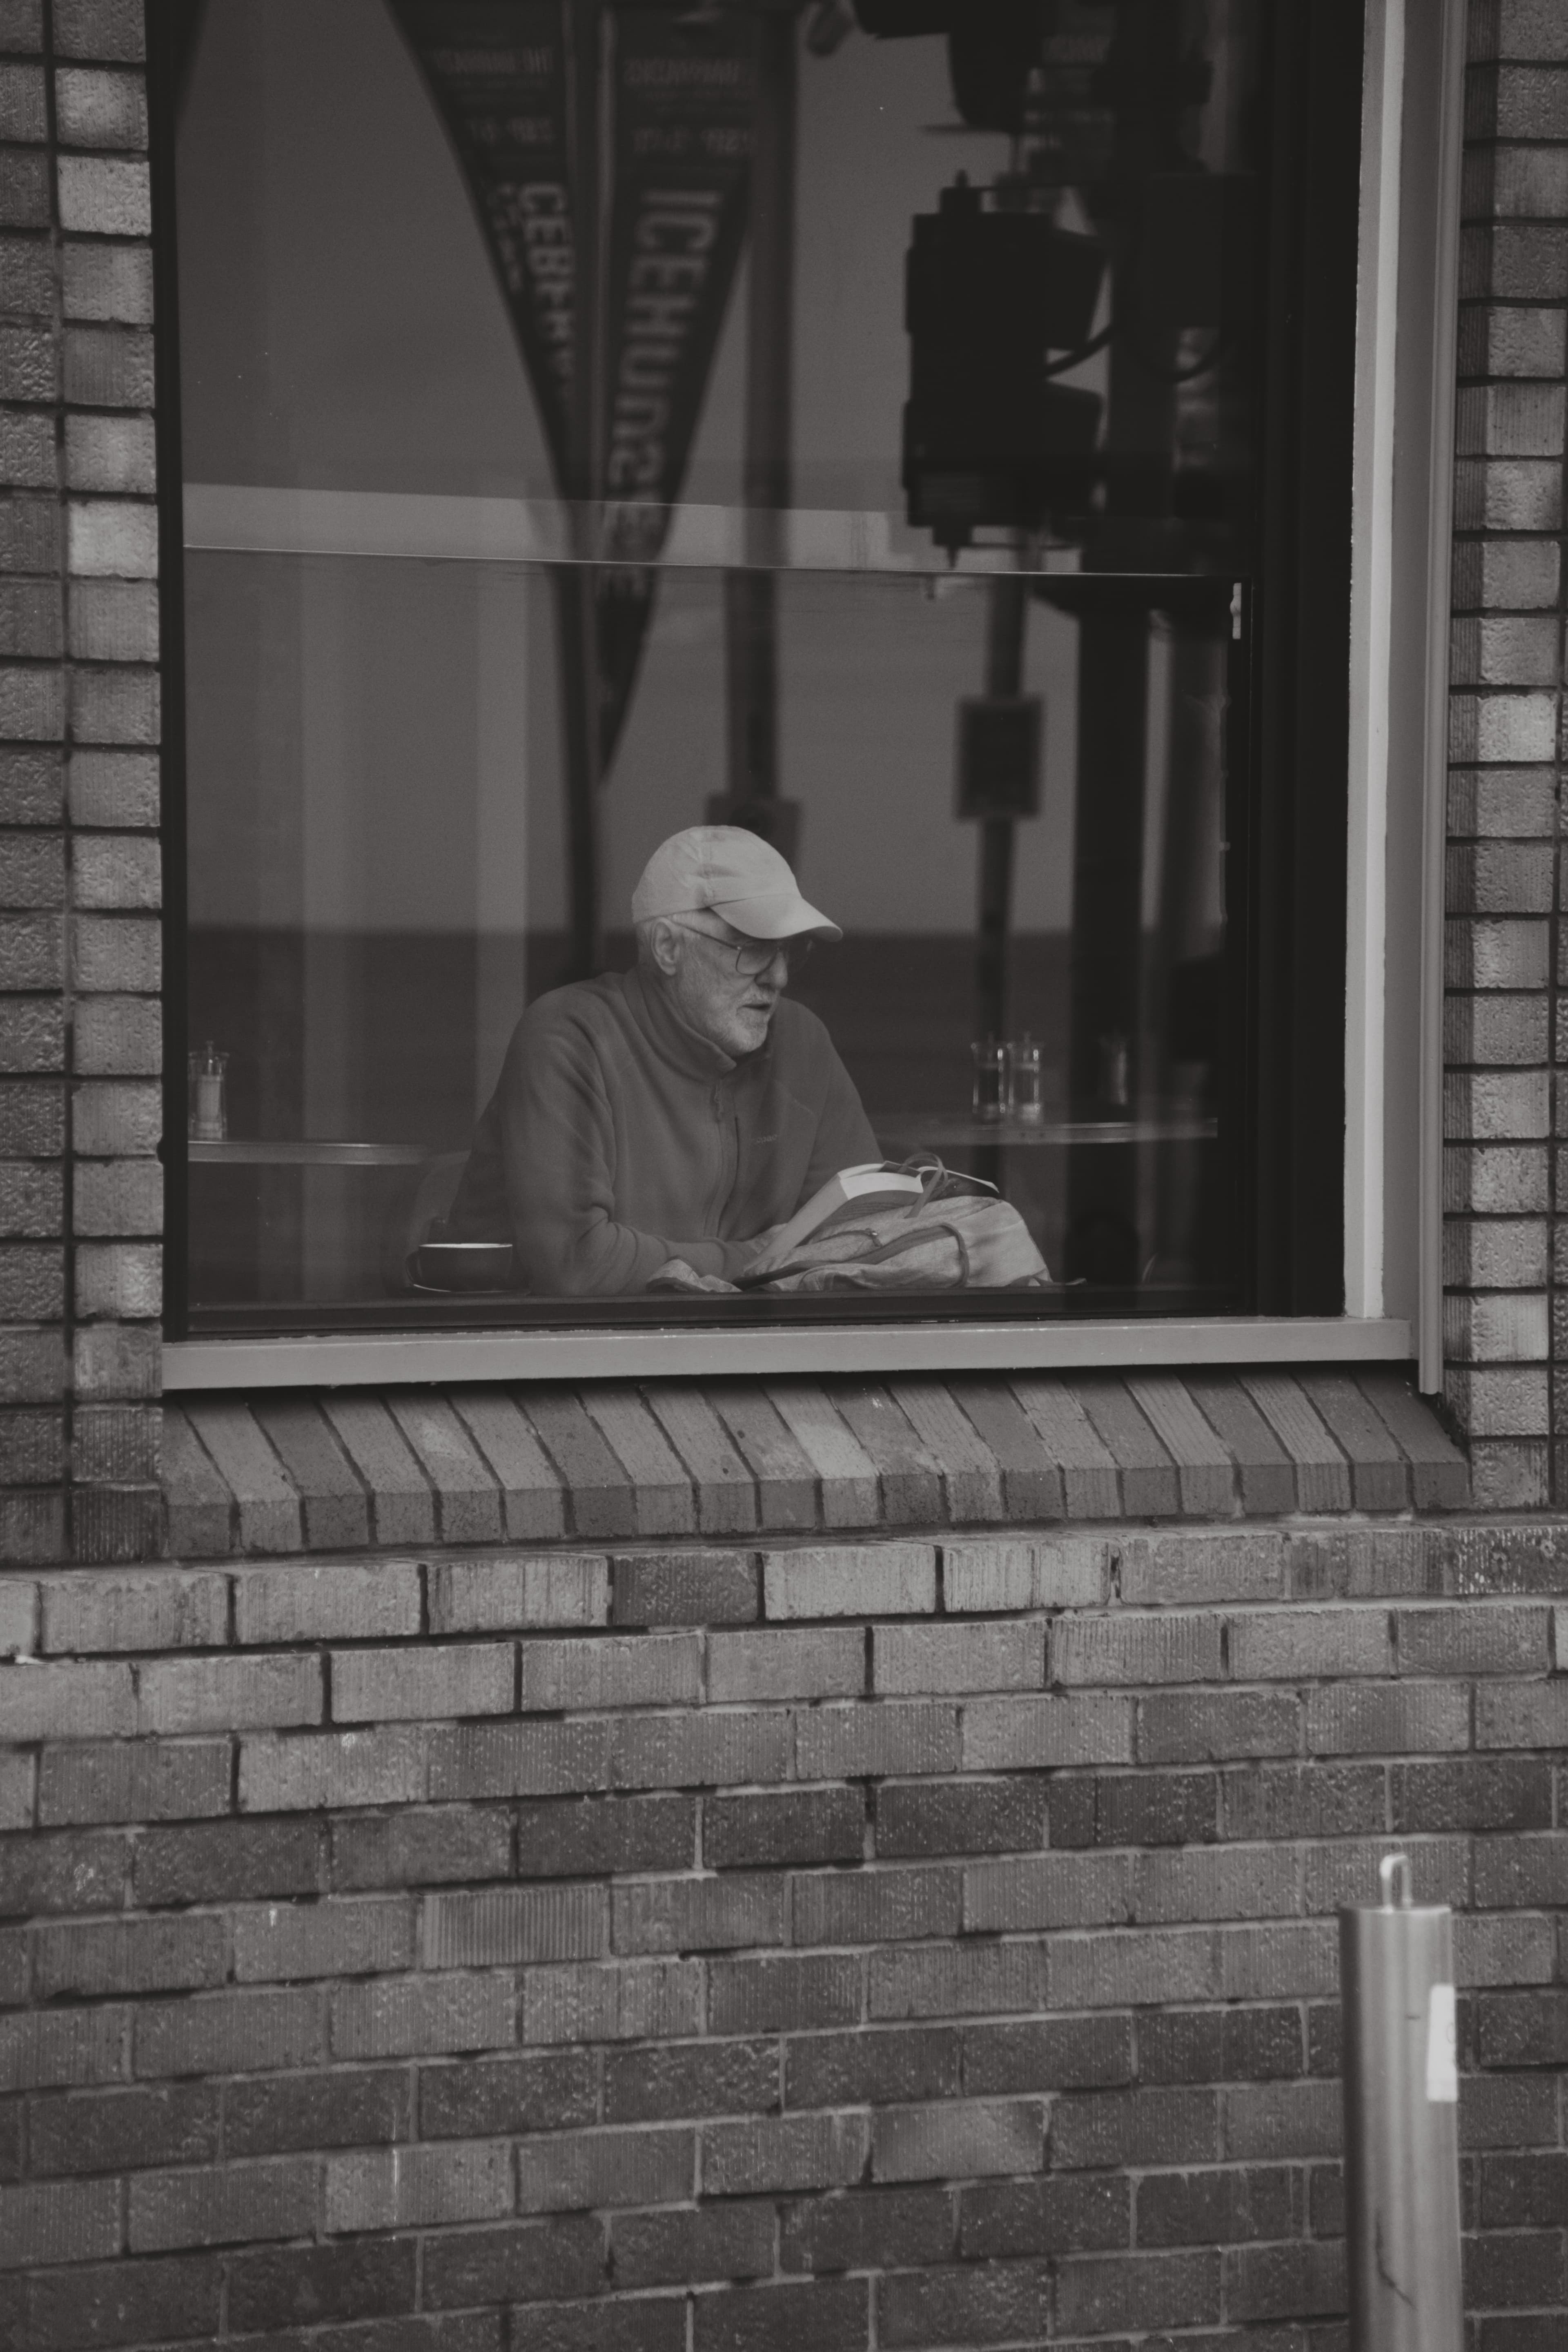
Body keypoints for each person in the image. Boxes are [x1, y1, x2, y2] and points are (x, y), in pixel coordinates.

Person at [444, 826, 880, 1294]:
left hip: (749, 1357)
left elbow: (872, 1235)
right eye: (751, 948)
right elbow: (579, 1265)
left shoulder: (802, 1043)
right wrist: (759, 1259)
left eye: (787, 949)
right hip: (553, 1358)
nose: (778, 976)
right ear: (668, 948)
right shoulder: (570, 1038)